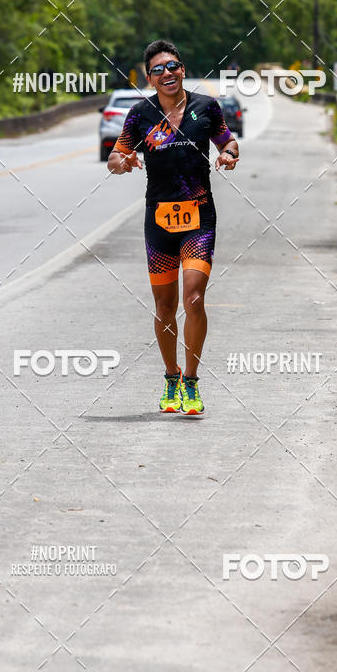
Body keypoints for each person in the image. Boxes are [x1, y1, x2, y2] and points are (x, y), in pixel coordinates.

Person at [107, 39, 239, 416]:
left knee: (194, 298)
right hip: (159, 220)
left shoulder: (205, 107)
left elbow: (227, 141)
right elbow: (116, 156)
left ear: (183, 69)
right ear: (149, 78)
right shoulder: (140, 115)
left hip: (199, 217)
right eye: (158, 70)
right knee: (165, 305)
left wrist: (229, 154)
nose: (168, 73)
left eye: (173, 66)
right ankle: (171, 377)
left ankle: (192, 383)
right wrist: (122, 162)